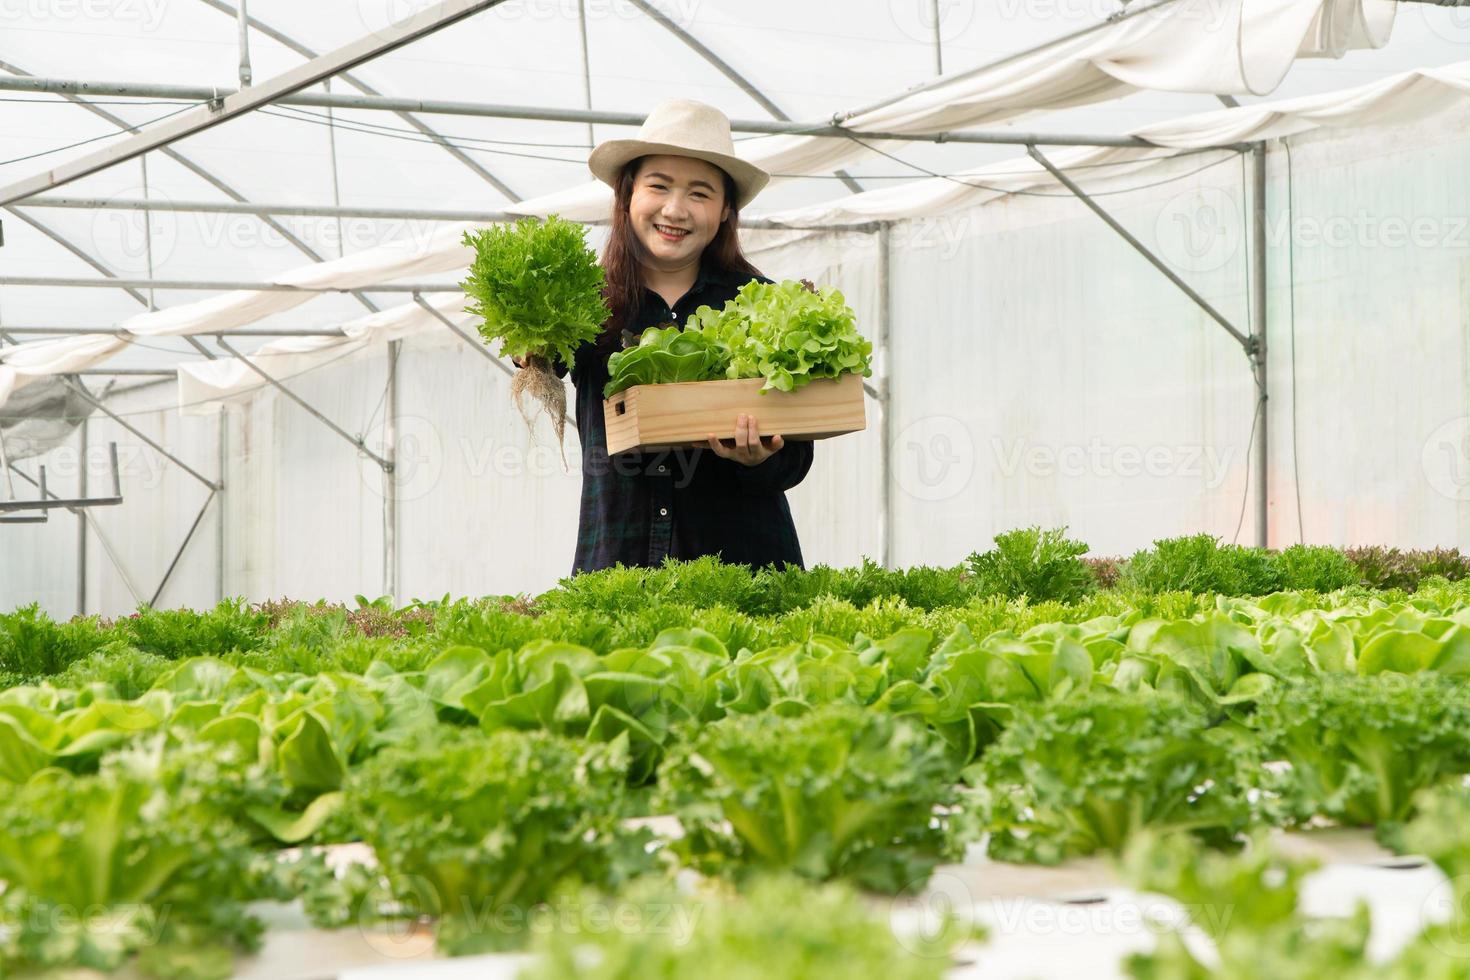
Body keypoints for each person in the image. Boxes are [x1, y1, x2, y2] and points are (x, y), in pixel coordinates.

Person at [516, 99, 813, 575]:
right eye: (659, 186)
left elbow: (797, 456)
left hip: (743, 566)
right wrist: (527, 338)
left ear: (724, 211)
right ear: (628, 196)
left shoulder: (758, 304)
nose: (676, 210)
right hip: (619, 562)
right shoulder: (581, 303)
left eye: (699, 193)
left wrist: (761, 458)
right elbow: (538, 360)